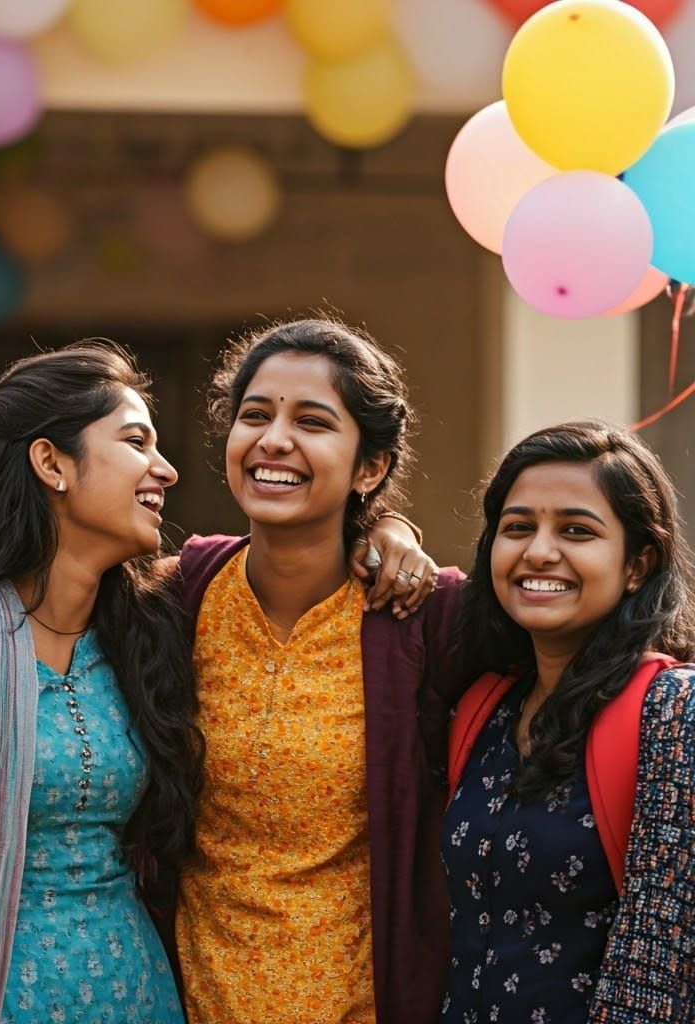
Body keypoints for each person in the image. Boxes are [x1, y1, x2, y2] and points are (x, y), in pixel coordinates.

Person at [169, 317, 467, 1024]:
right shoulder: (184, 592)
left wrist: (394, 533)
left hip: (360, 1001)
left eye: (312, 421)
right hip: (189, 999)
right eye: (254, 416)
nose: (274, 440)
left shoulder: (424, 616)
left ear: (370, 466)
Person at [0, 343, 203, 1024]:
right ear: (51, 463)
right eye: (136, 441)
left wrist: (386, 532)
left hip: (138, 994)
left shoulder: (143, 633)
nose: (166, 468)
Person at [442, 420, 695, 1023]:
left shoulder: (675, 715)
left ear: (638, 564)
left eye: (576, 531)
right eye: (518, 527)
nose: (539, 551)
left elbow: (658, 967)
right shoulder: (483, 707)